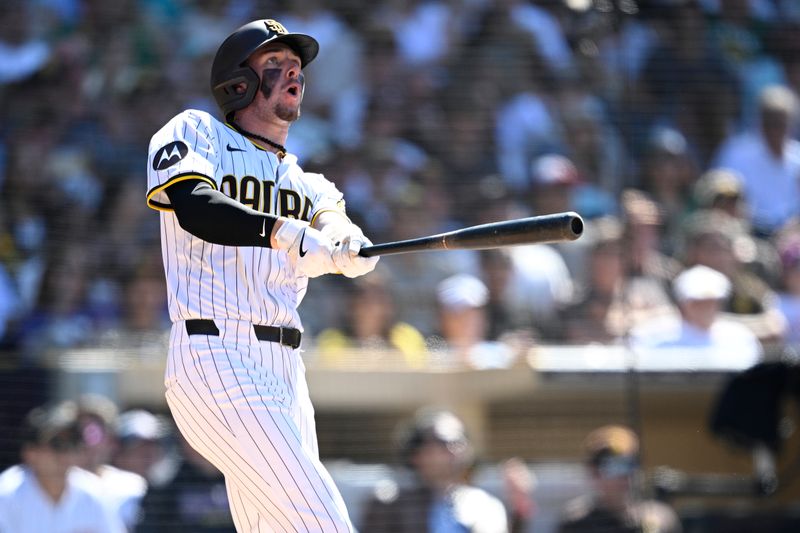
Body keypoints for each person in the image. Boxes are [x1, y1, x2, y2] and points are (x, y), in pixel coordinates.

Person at [145, 19, 379, 531]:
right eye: (275, 64)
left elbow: (333, 222)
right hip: (214, 353)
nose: (293, 71)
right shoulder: (195, 131)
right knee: (322, 521)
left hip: (286, 371)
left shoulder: (311, 183)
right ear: (238, 82)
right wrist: (283, 233)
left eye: (296, 65)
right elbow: (195, 207)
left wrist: (346, 246)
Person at [360, 407, 531, 533]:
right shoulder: (389, 503)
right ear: (416, 454)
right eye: (444, 443)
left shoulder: (484, 504)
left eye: (460, 442)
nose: (455, 450)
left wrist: (518, 512)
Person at [0, 400, 124, 533]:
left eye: (72, 443)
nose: (65, 453)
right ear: (30, 452)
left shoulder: (94, 492)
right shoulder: (6, 494)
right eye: (56, 445)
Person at [630, 265, 763, 371]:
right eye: (698, 302)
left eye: (711, 301)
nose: (706, 307)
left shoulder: (740, 337)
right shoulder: (651, 336)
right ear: (683, 304)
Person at [556, 425, 681, 533]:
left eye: (631, 464)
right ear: (594, 472)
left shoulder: (659, 518)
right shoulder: (576, 521)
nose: (625, 475)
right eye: (615, 466)